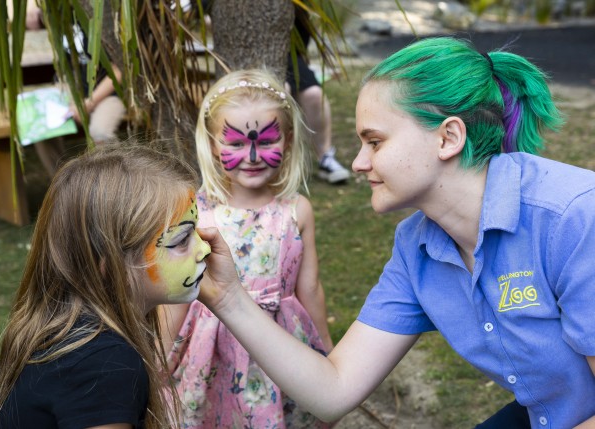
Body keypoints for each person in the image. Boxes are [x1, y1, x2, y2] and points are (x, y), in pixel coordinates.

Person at [194, 37, 595, 429]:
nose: (357, 162)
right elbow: (334, 390)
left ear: (448, 137)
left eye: (374, 141)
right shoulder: (416, 246)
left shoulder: (573, 219)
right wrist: (229, 298)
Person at [158, 69, 334, 428]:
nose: (252, 155)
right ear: (211, 145)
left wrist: (328, 354)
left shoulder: (296, 210)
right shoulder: (196, 211)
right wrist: (156, 356)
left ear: (286, 140)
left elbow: (310, 287)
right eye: (235, 143)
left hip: (280, 342)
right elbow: (175, 288)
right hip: (210, 346)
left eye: (266, 141)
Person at [0, 142, 212, 429]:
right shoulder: (105, 364)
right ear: (110, 267)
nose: (205, 248)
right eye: (181, 240)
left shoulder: (71, 331)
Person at [26, 0, 126, 178]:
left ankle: (116, 186)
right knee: (40, 126)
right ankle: (64, 182)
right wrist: (33, 8)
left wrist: (88, 104)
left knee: (100, 131)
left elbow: (119, 70)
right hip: (76, 88)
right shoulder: (59, 13)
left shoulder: (103, 13)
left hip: (110, 91)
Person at [286, 8, 350, 185]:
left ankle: (325, 158)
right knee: (281, 92)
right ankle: (278, 159)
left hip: (290, 56)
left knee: (314, 95)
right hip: (253, 56)